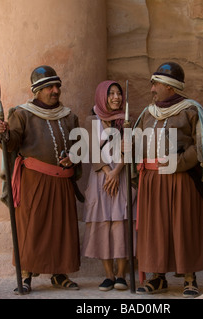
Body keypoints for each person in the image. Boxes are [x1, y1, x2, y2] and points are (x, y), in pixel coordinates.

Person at [133, 62, 203, 298]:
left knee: (184, 226)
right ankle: (157, 277)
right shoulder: (146, 114)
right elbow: (138, 146)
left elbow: (202, 148)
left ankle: (190, 278)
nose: (152, 88)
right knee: (156, 228)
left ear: (170, 87)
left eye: (156, 83)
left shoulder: (191, 110)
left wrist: (177, 162)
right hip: (152, 181)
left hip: (181, 180)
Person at [0, 65, 82, 294]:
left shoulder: (70, 116)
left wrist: (72, 159)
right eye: (49, 87)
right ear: (37, 90)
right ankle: (26, 276)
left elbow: (79, 148)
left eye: (57, 86)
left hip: (62, 182)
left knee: (61, 229)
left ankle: (59, 274)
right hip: (33, 182)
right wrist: (3, 133)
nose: (55, 91)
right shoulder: (22, 114)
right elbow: (11, 143)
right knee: (31, 230)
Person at [81, 80, 137, 291]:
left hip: (121, 176)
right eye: (111, 94)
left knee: (121, 222)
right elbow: (92, 150)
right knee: (102, 222)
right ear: (102, 96)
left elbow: (131, 149)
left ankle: (122, 274)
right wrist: (107, 172)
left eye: (119, 93)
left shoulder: (127, 121)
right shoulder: (92, 121)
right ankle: (108, 275)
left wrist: (116, 171)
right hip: (100, 178)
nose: (116, 97)